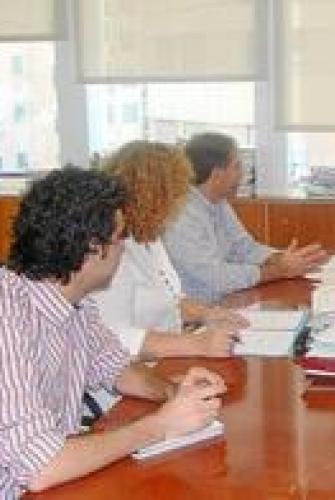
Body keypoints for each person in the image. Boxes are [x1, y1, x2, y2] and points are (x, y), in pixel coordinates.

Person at [0, 167, 226, 497]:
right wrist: (159, 426)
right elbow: (41, 468)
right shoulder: (8, 318)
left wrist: (173, 393)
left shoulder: (75, 301)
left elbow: (116, 368)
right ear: (93, 247)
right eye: (121, 236)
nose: (124, 246)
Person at [92, 141, 247, 361]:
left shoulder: (149, 235)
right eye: (174, 194)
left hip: (168, 357)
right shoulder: (108, 250)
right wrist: (196, 343)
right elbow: (112, 337)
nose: (178, 203)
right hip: (128, 374)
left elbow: (170, 300)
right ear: (152, 197)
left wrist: (208, 315)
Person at [163, 132, 328, 303]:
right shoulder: (181, 216)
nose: (242, 174)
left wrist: (282, 258)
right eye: (237, 167)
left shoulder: (218, 202)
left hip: (226, 302)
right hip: (198, 311)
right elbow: (216, 277)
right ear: (217, 175)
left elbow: (244, 248)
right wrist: (278, 270)